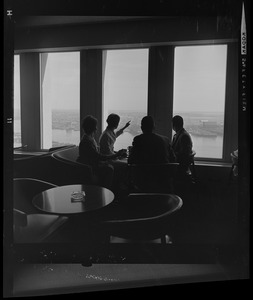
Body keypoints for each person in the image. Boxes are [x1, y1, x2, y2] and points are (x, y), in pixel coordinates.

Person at [77, 115, 125, 189]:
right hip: (90, 167)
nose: (96, 128)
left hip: (91, 164)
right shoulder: (88, 141)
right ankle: (107, 190)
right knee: (110, 168)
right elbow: (98, 157)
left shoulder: (88, 138)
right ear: (92, 128)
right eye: (95, 126)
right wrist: (116, 155)